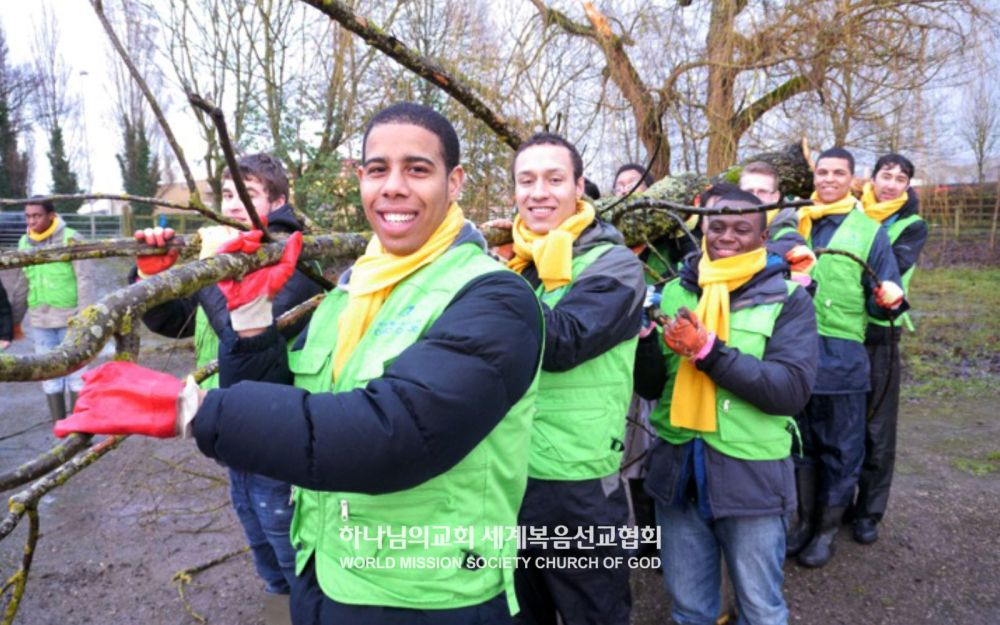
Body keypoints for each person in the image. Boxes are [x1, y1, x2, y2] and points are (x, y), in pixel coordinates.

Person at [56, 102, 544, 625]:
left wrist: (192, 409)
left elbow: (392, 436)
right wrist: (249, 319)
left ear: (455, 182)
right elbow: (288, 399)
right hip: (326, 572)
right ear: (360, 179)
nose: (394, 186)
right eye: (378, 169)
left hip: (431, 597)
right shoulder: (355, 285)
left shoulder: (496, 299)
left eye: (417, 169)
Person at [133, 153, 322, 623]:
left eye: (249, 194)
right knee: (262, 550)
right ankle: (281, 613)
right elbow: (176, 320)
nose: (235, 205)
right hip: (226, 421)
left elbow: (244, 331)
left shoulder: (287, 250)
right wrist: (152, 278)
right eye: (230, 195)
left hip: (275, 427)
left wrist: (216, 266)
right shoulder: (228, 247)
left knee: (294, 555)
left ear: (277, 200)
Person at [635, 189, 817, 625]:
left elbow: (790, 390)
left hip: (750, 476)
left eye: (742, 228)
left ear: (763, 234)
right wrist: (642, 342)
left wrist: (709, 352)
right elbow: (650, 387)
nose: (727, 236)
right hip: (679, 473)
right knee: (689, 609)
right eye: (717, 226)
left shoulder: (788, 299)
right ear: (702, 227)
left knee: (760, 609)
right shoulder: (674, 292)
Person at [508, 134, 645, 625]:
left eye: (553, 179)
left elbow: (565, 342)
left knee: (595, 613)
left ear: (579, 186)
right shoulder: (518, 266)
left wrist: (484, 287)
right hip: (508, 473)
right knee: (521, 613)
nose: (538, 192)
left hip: (579, 482)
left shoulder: (617, 266)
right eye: (527, 180)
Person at [787, 147, 906, 568]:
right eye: (822, 172)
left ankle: (825, 532)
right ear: (813, 177)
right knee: (800, 444)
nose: (829, 179)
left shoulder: (869, 232)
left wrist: (888, 300)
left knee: (840, 448)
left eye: (839, 173)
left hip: (841, 359)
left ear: (853, 179)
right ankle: (802, 524)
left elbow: (883, 298)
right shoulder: (794, 224)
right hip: (793, 356)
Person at [854, 153, 928, 545]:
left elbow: (888, 271)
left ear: (907, 186)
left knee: (877, 429)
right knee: (838, 425)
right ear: (873, 177)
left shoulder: (911, 225)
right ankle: (830, 505)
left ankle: (868, 512)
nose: (891, 184)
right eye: (886, 176)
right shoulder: (849, 211)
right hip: (841, 330)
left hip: (881, 331)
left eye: (901, 179)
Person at [18, 197, 92, 420]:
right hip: (40, 320)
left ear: (51, 215)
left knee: (76, 373)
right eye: (28, 216)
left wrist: (86, 315)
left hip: (71, 318)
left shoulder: (71, 238)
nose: (32, 221)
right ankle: (59, 424)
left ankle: (78, 426)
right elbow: (22, 282)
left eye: (37, 215)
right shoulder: (24, 242)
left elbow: (85, 278)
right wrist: (12, 321)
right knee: (49, 374)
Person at [738, 161, 815, 285]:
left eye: (762, 191)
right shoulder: (723, 233)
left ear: (776, 197)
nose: (755, 197)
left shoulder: (791, 243)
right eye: (748, 191)